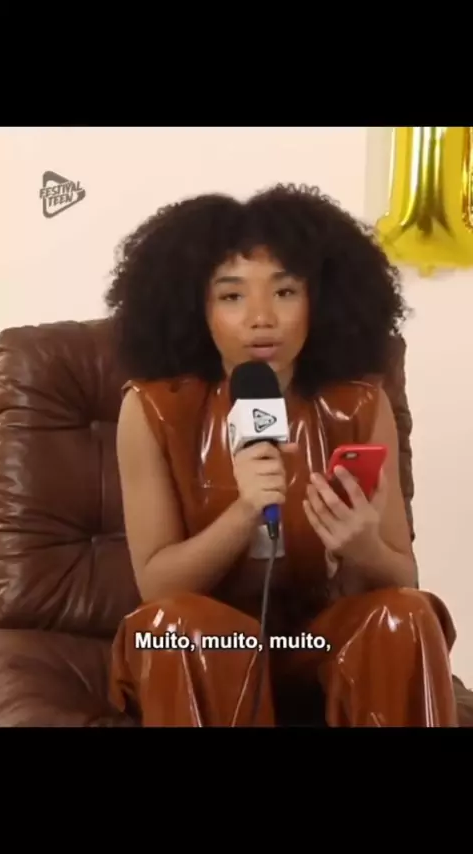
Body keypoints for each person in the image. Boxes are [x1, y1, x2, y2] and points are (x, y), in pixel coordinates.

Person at [105, 183, 458, 727]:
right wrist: (244, 511)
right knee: (177, 625)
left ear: (320, 301)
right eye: (232, 296)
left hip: (315, 643)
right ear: (196, 308)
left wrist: (363, 545)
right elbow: (157, 587)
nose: (261, 318)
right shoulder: (154, 410)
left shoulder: (360, 405)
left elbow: (402, 575)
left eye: (285, 292)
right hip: (206, 643)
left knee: (405, 613)